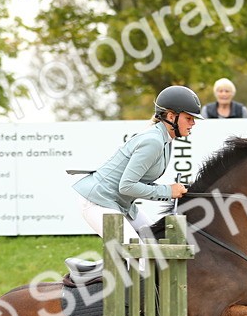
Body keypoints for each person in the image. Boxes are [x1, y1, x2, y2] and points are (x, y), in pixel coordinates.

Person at [73, 85, 200, 241]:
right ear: (171, 116)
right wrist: (167, 191)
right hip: (98, 202)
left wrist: (171, 190)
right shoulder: (154, 141)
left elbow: (135, 184)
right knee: (141, 257)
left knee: (156, 244)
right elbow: (126, 186)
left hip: (120, 204)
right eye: (189, 118)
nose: (193, 123)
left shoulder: (165, 139)